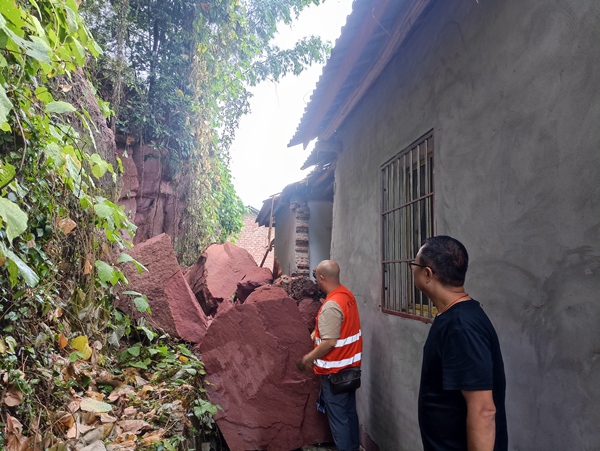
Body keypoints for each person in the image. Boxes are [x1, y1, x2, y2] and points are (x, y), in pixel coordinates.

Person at [413, 236, 507, 451]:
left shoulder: (461, 327)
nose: (412, 270)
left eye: (414, 264)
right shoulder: (454, 317)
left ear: (427, 274)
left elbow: (484, 411)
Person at [299, 260, 362, 451]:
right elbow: (341, 329)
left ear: (322, 278)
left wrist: (308, 358)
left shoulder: (331, 306)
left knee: (339, 420)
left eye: (315, 276)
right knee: (349, 414)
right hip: (351, 369)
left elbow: (330, 342)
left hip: (335, 372)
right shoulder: (347, 296)